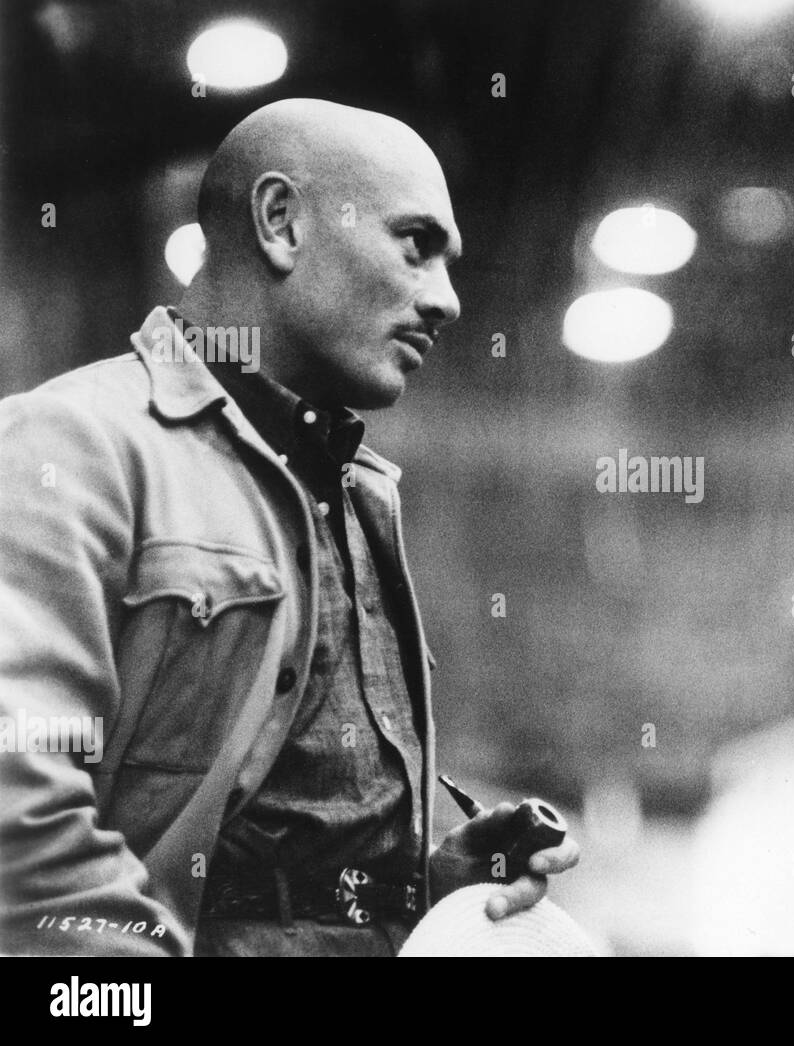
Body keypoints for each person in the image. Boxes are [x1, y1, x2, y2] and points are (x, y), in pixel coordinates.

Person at [0, 99, 579, 956]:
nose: (448, 301)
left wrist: (416, 890)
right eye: (416, 245)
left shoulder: (356, 494)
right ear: (280, 223)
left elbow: (264, 854)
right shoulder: (71, 445)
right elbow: (18, 824)